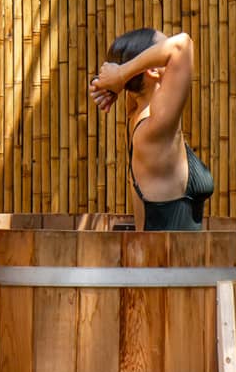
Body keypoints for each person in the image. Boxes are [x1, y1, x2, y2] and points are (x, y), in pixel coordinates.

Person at [88, 27, 214, 231]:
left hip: (164, 261)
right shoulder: (155, 129)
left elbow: (127, 74)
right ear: (153, 69)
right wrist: (119, 75)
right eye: (160, 54)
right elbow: (182, 46)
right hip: (166, 261)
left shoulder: (137, 113)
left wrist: (113, 81)